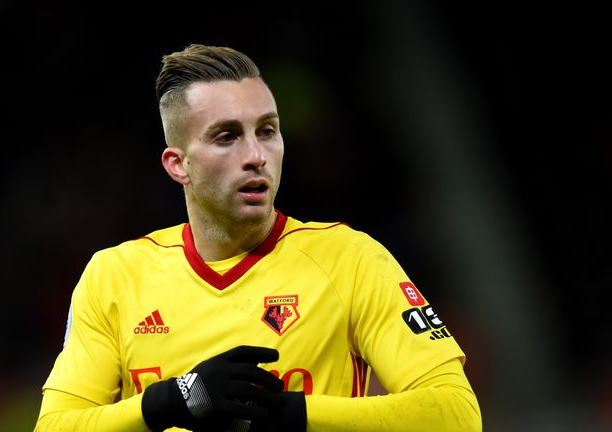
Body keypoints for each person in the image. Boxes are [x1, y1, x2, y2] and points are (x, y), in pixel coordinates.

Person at [33, 44, 482, 431]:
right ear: (178, 164)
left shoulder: (351, 259)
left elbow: (456, 415)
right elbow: (55, 425)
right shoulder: (114, 275)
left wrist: (292, 413)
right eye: (227, 136)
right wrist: (171, 401)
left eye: (267, 131)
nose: (255, 156)